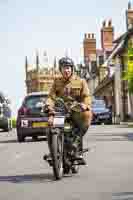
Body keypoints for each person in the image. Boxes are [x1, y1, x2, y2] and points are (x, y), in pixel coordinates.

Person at [45, 57, 92, 164]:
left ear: (72, 69)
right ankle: (53, 152)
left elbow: (87, 96)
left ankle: (76, 143)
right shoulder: (56, 82)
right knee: (49, 126)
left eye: (68, 68)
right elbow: (51, 97)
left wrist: (84, 105)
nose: (66, 70)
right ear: (60, 70)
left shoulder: (81, 81)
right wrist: (48, 105)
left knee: (87, 115)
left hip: (75, 110)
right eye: (63, 68)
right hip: (60, 111)